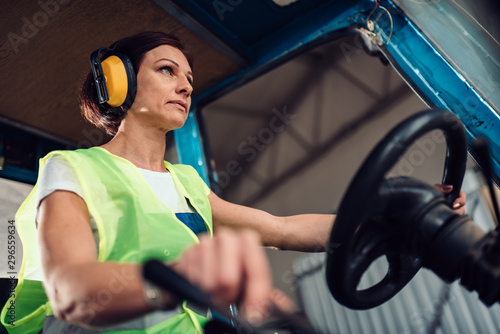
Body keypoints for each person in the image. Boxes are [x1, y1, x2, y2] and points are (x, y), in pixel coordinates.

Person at [0, 31, 467, 334]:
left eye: (188, 77)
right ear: (117, 82)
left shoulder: (186, 183)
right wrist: (184, 280)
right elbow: (71, 292)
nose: (185, 85)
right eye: (167, 71)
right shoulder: (72, 168)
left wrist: (393, 221)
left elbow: (283, 231)